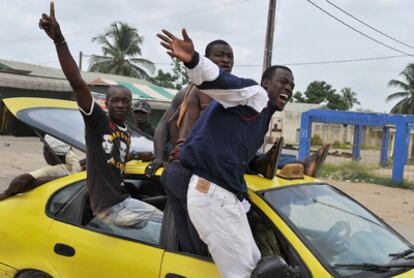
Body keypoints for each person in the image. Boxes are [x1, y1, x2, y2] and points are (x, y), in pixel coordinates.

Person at [157, 28, 297, 277]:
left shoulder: (256, 116)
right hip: (211, 193)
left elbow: (229, 150)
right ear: (266, 84)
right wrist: (194, 60)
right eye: (283, 82)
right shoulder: (257, 95)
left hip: (225, 195)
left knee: (254, 264)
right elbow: (222, 80)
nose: (289, 88)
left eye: (292, 85)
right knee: (244, 273)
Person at [39, 2, 161, 228]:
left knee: (166, 211)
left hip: (124, 201)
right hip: (110, 209)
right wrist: (59, 40)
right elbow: (77, 83)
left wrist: (154, 155)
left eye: (126, 101)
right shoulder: (98, 122)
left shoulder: (125, 132)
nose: (121, 105)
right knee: (170, 226)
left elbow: (120, 156)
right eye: (116, 100)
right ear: (107, 103)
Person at [160, 39, 234, 256]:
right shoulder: (199, 91)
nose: (226, 60)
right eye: (220, 55)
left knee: (189, 243)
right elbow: (181, 132)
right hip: (187, 173)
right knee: (202, 245)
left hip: (180, 170)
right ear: (207, 59)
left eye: (230, 56)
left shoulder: (231, 89)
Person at [0, 135, 81, 201]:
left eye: (44, 150)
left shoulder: (54, 171)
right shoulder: (76, 167)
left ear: (48, 154)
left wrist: (7, 193)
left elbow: (19, 180)